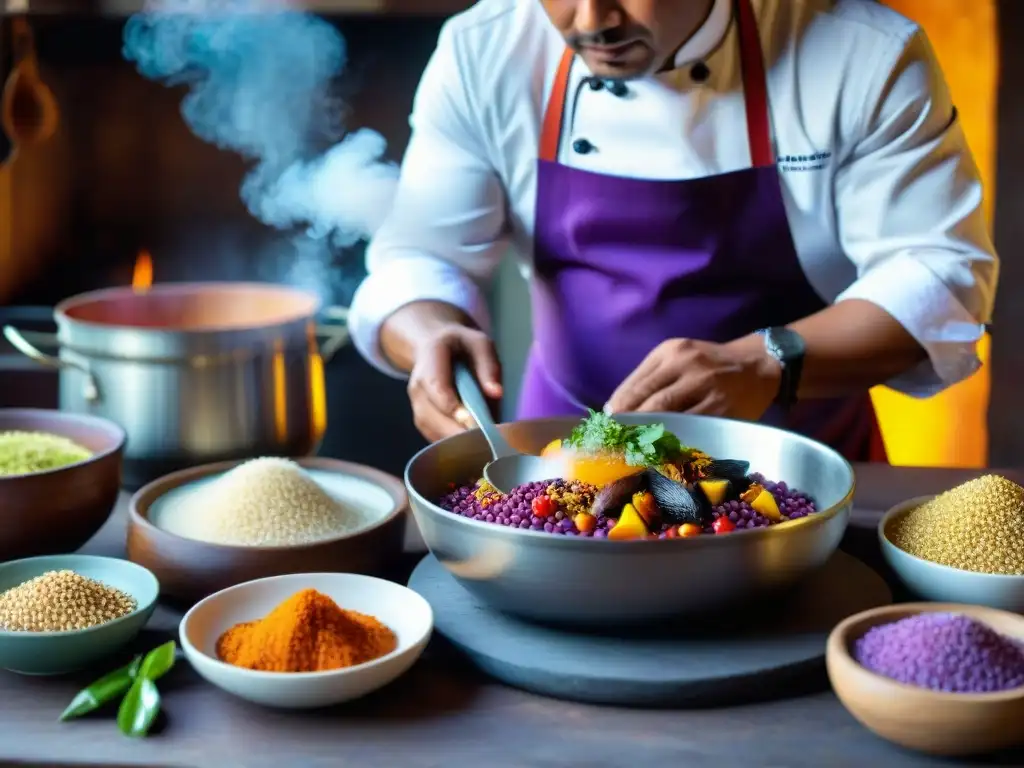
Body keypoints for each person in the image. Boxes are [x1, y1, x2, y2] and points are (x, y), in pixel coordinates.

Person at [347, 0, 999, 462]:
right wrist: (430, 335)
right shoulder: (485, 49)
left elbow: (942, 282)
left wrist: (763, 361)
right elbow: (418, 256)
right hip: (567, 461)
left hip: (804, 467)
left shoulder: (863, 55)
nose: (592, 18)